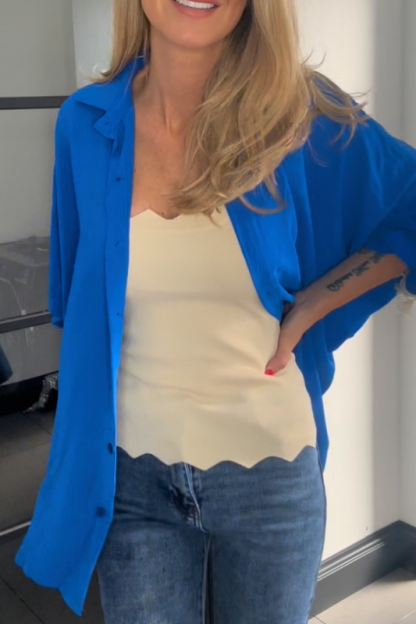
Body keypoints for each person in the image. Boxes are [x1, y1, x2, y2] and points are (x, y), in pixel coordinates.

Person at [15, 0, 416, 623]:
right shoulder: (85, 125)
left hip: (269, 480)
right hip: (130, 485)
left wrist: (316, 302)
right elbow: (77, 303)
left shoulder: (298, 117)